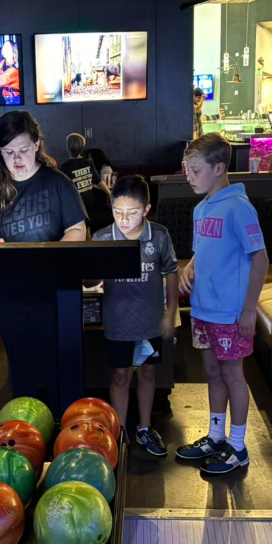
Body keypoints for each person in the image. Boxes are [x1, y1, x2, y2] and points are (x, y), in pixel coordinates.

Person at [0, 111, 88, 406]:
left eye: (23, 150)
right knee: (21, 369)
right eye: (8, 152)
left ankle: (63, 428)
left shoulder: (57, 182)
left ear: (37, 144)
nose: (17, 159)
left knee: (58, 367)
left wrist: (48, 257)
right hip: (11, 295)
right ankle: (27, 432)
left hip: (55, 293)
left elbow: (77, 230)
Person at [175, 133, 268, 474]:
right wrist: (190, 267)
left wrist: (248, 309)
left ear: (218, 168)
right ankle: (216, 435)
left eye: (194, 170)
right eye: (186, 169)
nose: (188, 175)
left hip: (231, 312)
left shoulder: (239, 208)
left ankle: (238, 445)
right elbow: (203, 250)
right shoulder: (201, 209)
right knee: (212, 372)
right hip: (203, 310)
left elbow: (260, 259)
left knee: (232, 374)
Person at [90, 175, 178, 456]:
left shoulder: (160, 235)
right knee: (120, 376)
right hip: (117, 322)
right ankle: (119, 432)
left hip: (150, 319)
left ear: (146, 209)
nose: (124, 219)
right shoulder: (103, 238)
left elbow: (171, 273)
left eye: (132, 212)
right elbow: (88, 278)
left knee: (148, 373)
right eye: (117, 212)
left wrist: (171, 313)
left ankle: (144, 427)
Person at [61, 133, 109, 215]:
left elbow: (63, 190)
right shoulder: (88, 163)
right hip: (89, 202)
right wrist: (109, 194)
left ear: (68, 147)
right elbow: (99, 181)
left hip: (75, 205)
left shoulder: (65, 167)